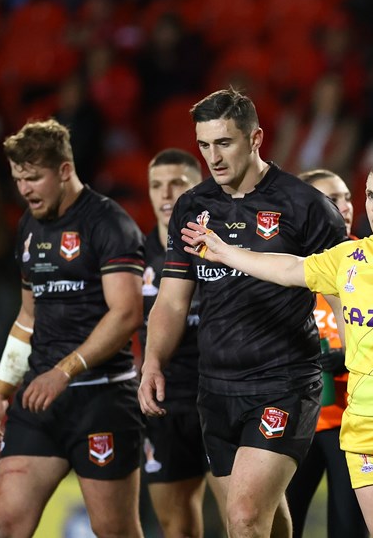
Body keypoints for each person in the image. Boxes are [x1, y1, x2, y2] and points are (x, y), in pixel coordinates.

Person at [181, 153, 373, 538]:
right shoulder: (350, 257)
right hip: (365, 430)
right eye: (371, 195)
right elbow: (287, 268)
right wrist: (222, 251)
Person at [138, 88, 348, 538]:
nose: (212, 157)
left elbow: (341, 295)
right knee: (265, 520)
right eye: (204, 145)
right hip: (214, 388)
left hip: (284, 382)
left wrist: (362, 363)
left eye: (224, 143)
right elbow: (172, 300)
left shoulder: (305, 206)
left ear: (255, 139)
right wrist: (153, 361)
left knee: (244, 516)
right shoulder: (192, 208)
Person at [0, 119, 146, 537]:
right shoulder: (29, 227)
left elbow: (126, 314)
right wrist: (1, 391)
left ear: (66, 171)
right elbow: (27, 318)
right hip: (39, 402)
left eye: (35, 178)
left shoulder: (109, 223)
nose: (26, 190)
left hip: (102, 398)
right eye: (19, 179)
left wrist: (65, 370)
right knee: (4, 526)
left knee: (115, 531)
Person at [139, 148, 226, 537]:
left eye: (177, 184)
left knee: (242, 518)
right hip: (165, 403)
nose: (166, 194)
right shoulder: (132, 256)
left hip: (223, 395)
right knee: (176, 526)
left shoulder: (227, 248)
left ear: (199, 190)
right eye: (157, 185)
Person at [286, 169, 367, 538]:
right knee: (278, 527)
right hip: (292, 419)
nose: (345, 207)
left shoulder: (372, 263)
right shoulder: (283, 266)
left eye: (348, 197)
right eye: (332, 199)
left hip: (351, 423)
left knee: (348, 530)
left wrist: (350, 355)